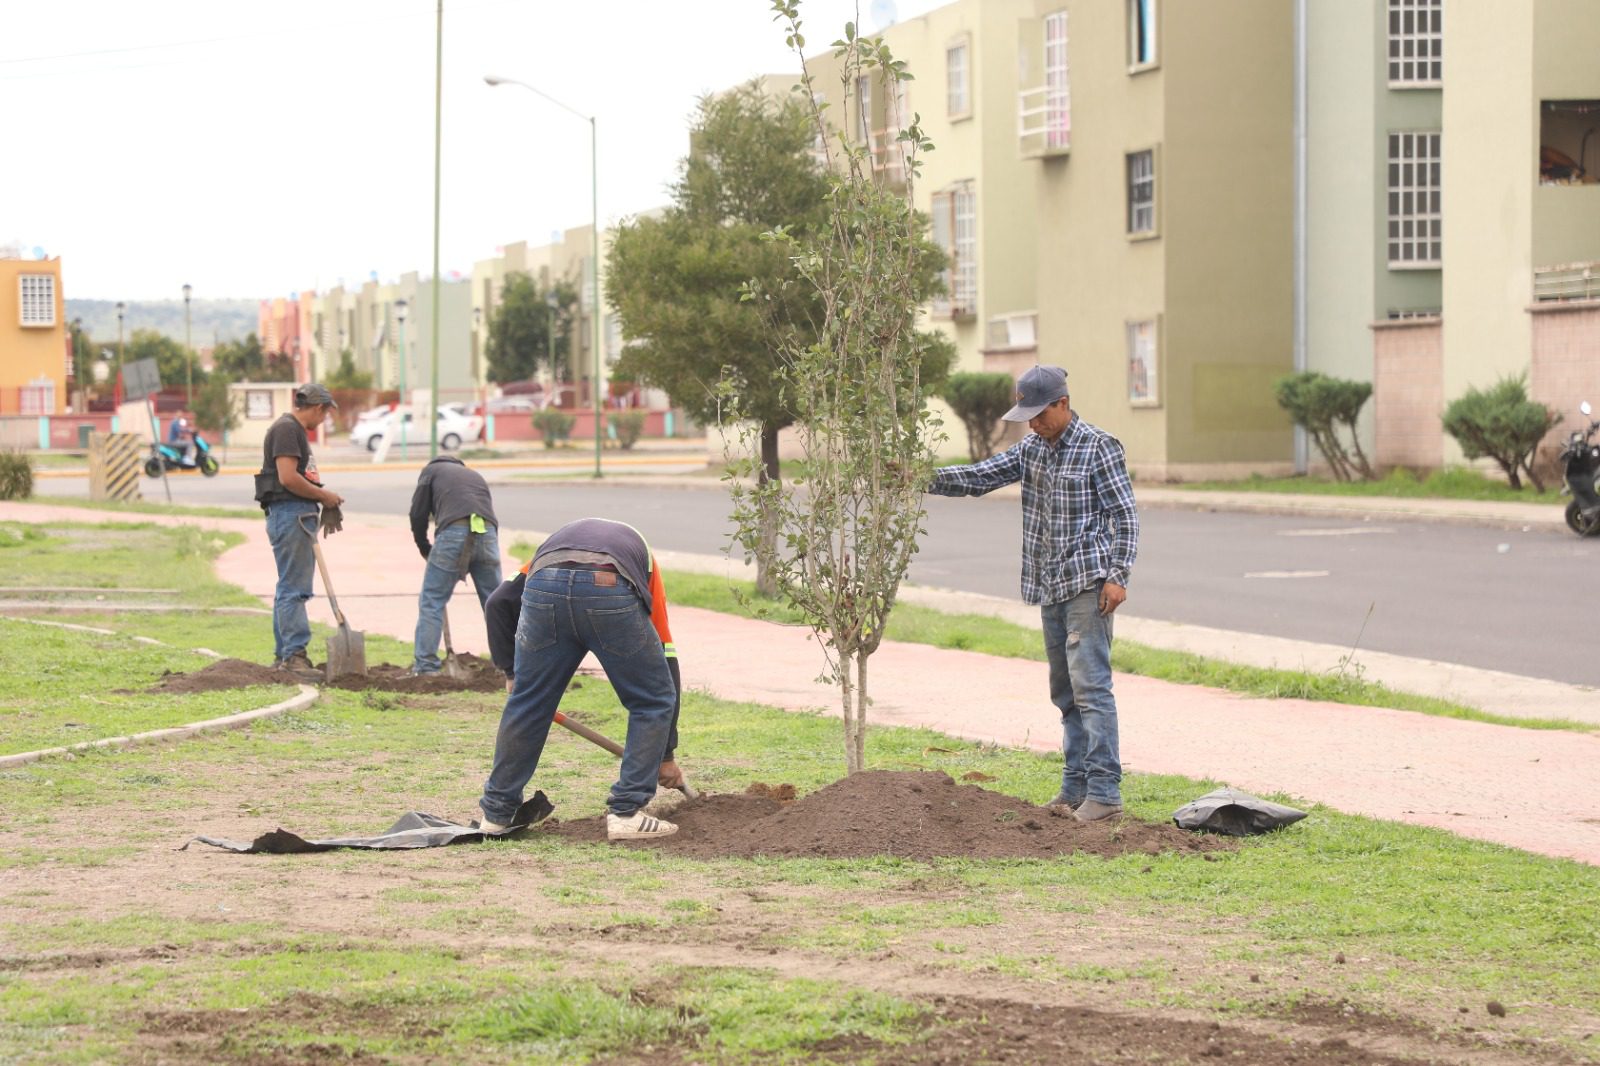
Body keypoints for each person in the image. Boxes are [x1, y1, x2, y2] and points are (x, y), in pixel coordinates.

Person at [926, 365, 1139, 822]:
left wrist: (1118, 575)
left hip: (1088, 583)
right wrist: (920, 476)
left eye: (1040, 415)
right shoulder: (1031, 450)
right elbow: (980, 476)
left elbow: (1125, 517)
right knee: (1064, 693)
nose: (1034, 424)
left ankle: (1105, 794)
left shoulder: (1099, 447)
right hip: (1049, 586)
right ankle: (1074, 788)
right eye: (1027, 417)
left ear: (1062, 403)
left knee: (1091, 689)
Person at [478, 517, 685, 840]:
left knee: (529, 704)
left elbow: (498, 602)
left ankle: (497, 815)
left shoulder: (551, 554)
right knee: (652, 700)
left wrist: (512, 673)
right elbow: (665, 655)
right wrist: (666, 755)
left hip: (544, 585)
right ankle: (627, 813)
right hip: (609, 586)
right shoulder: (644, 562)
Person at [253, 383, 345, 682]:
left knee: (288, 587)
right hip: (291, 513)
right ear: (318, 408)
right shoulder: (287, 429)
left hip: (294, 514)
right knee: (295, 589)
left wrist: (321, 498)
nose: (325, 419)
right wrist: (324, 496)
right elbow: (288, 477)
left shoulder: (291, 429)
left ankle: (285, 655)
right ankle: (294, 656)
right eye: (326, 413)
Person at [409, 455, 503, 675]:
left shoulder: (430, 472)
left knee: (432, 600)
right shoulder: (473, 475)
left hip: (454, 533)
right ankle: (508, 666)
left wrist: (424, 546)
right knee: (495, 604)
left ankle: (426, 666)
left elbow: (418, 514)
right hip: (486, 532)